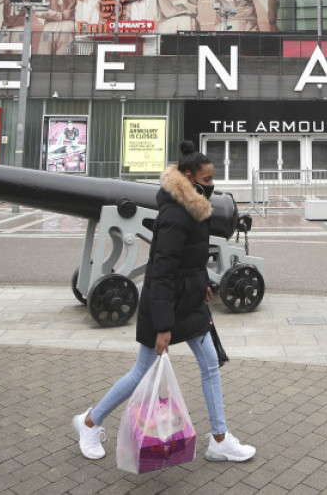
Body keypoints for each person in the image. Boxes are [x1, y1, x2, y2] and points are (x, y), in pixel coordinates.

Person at [72, 141, 256, 464]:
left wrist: (204, 285)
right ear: (188, 176)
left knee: (210, 364)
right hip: (166, 307)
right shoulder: (176, 213)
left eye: (213, 179)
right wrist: (163, 327)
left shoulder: (195, 207)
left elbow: (190, 261)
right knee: (140, 373)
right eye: (208, 179)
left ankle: (220, 439)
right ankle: (90, 422)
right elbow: (162, 271)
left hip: (189, 303)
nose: (213, 185)